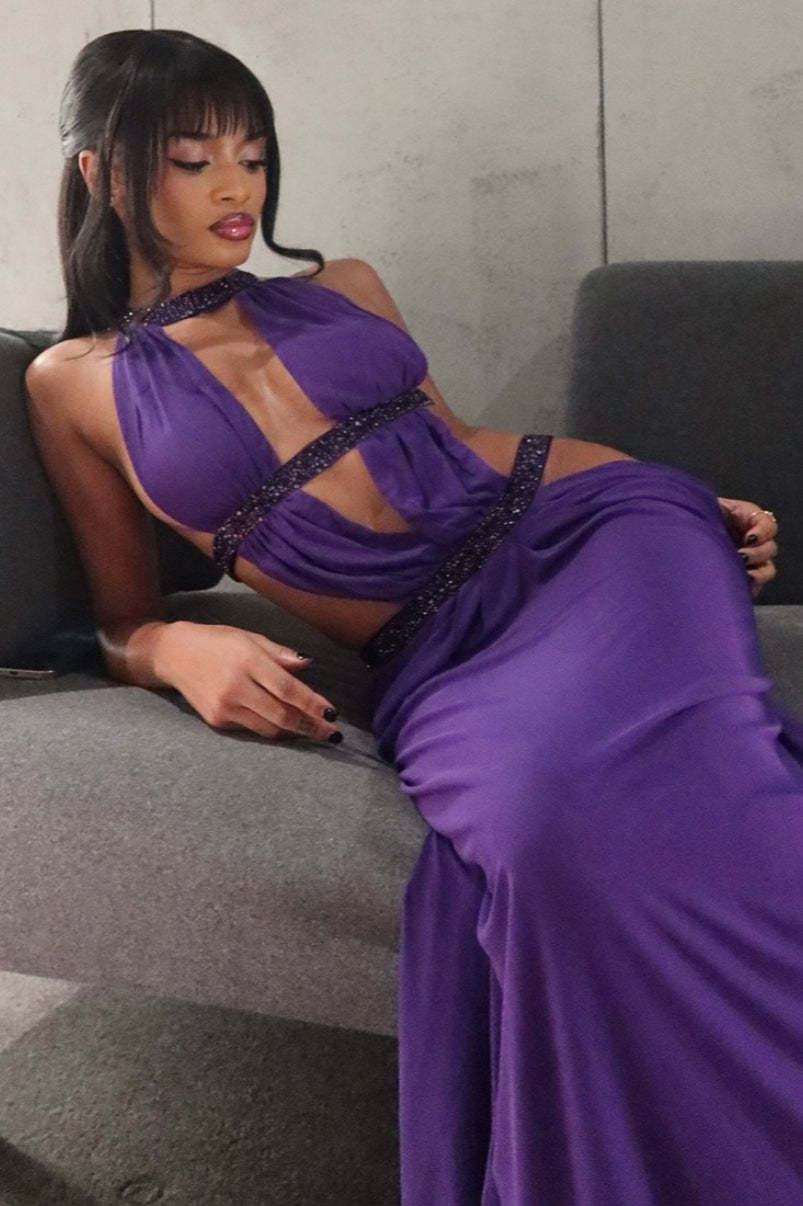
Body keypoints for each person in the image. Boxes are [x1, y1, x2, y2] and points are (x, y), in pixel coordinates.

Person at [24, 27, 800, 1205]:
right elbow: (122, 619)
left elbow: (464, 449)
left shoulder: (341, 286)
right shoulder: (71, 383)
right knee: (538, 832)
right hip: (434, 648)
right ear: (103, 173)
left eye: (254, 155)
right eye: (194, 159)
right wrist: (177, 646)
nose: (239, 188)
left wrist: (683, 507)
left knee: (707, 771)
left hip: (600, 535)